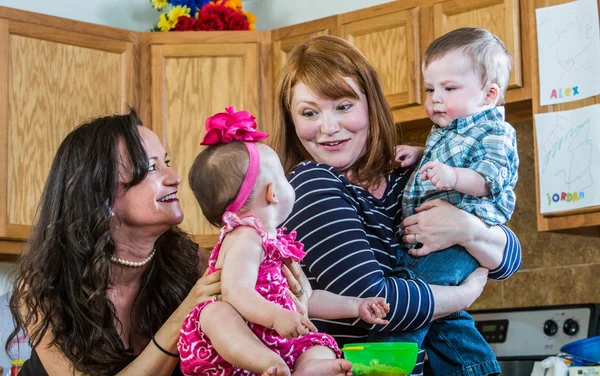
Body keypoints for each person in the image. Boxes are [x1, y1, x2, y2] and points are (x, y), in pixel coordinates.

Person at [273, 35, 522, 376]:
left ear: (370, 104)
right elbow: (377, 303)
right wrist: (463, 295)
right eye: (309, 112)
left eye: (344, 106)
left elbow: (509, 259)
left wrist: (467, 229)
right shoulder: (310, 184)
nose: (328, 128)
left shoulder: (405, 179)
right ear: (292, 119)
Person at [5, 110, 310, 376]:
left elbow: (256, 340)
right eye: (152, 168)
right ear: (101, 195)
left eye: (166, 162)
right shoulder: (43, 291)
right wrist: (179, 320)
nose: (174, 177)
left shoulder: (196, 265)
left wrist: (293, 297)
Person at [179, 106, 390, 376]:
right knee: (215, 314)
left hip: (279, 339)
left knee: (314, 343)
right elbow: (235, 292)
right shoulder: (245, 237)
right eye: (284, 178)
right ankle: (267, 364)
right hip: (240, 345)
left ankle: (309, 367)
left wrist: (354, 306)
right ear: (272, 193)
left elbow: (307, 297)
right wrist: (276, 316)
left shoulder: (274, 242)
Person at [385, 27, 520, 373]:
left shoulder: (496, 132)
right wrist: (419, 155)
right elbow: (451, 155)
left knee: (416, 293)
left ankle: (387, 363)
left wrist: (453, 177)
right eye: (430, 90)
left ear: (488, 94)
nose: (435, 99)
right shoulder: (447, 130)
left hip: (455, 245)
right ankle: (475, 368)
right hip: (439, 240)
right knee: (447, 318)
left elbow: (490, 179)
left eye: (448, 89)